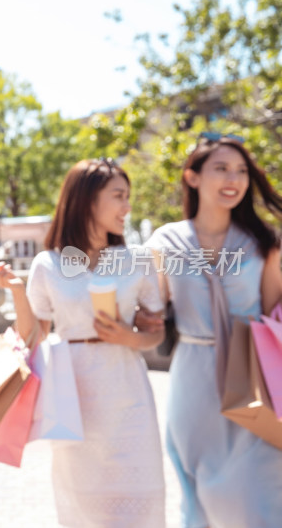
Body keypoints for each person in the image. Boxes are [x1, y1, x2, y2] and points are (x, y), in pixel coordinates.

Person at [0, 158, 167, 528]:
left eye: (127, 197)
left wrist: (129, 337)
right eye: (119, 196)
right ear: (86, 200)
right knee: (84, 506)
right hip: (72, 397)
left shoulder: (137, 260)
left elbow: (156, 332)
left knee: (142, 497)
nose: (127, 207)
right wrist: (17, 290)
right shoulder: (47, 265)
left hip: (128, 393)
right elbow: (34, 335)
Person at [140, 134, 282, 527]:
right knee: (197, 490)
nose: (233, 178)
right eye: (221, 168)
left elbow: (275, 314)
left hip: (253, 374)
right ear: (192, 177)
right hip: (194, 377)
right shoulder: (165, 241)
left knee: (261, 490)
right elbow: (151, 307)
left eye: (240, 171)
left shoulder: (262, 241)